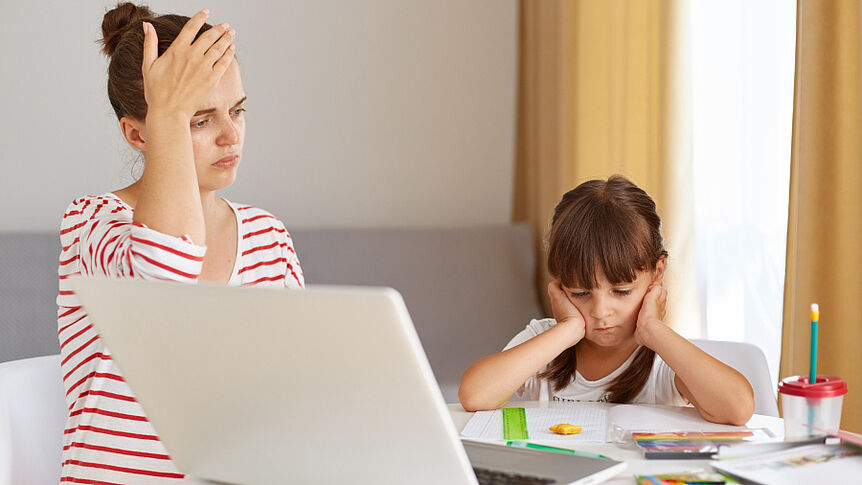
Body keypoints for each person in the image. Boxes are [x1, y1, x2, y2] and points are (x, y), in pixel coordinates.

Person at [56, 4, 303, 483]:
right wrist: (167, 110)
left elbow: (289, 385)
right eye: (199, 120)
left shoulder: (269, 237)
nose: (231, 136)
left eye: (237, 110)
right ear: (137, 134)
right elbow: (166, 276)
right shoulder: (91, 223)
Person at [458, 175, 754, 426]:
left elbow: (737, 409)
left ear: (657, 272)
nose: (600, 312)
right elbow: (474, 395)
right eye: (581, 293)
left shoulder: (662, 357)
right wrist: (568, 329)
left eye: (621, 292)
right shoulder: (544, 341)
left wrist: (653, 330)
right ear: (560, 286)